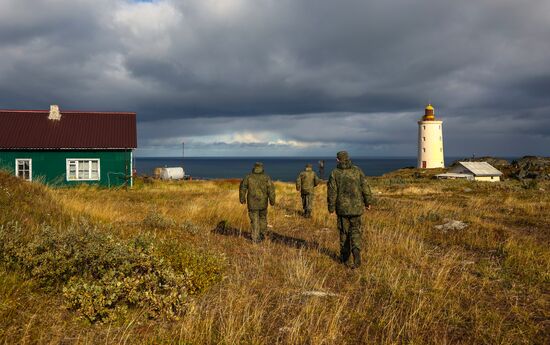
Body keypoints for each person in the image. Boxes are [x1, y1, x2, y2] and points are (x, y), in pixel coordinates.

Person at [327, 151, 372, 268]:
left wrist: (331, 207)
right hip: (357, 208)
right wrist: (368, 202)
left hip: (342, 209)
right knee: (355, 231)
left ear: (338, 160)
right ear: (348, 158)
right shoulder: (357, 171)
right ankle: (356, 252)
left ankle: (345, 258)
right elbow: (365, 187)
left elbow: (332, 192)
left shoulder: (335, 173)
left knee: (344, 232)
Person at [239, 162, 276, 242]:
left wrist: (242, 198)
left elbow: (243, 187)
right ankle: (262, 234)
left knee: (254, 219)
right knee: (263, 218)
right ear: (262, 168)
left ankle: (256, 237)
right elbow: (271, 190)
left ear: (254, 168)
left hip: (252, 203)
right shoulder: (266, 177)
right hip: (263, 203)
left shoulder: (248, 177)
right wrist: (272, 201)